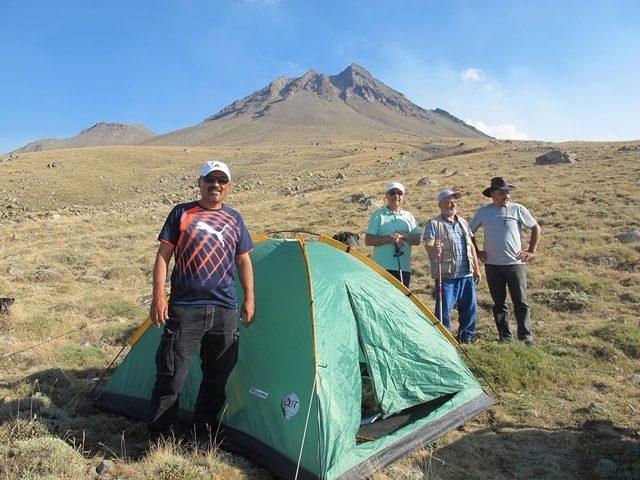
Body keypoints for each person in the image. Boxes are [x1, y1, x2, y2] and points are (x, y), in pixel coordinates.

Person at [148, 160, 255, 436]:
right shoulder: (181, 213)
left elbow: (243, 260)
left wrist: (250, 297)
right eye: (210, 180)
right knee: (172, 376)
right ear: (200, 183)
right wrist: (158, 297)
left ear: (228, 186)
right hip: (185, 309)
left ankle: (202, 433)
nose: (215, 185)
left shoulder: (235, 219)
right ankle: (161, 437)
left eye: (221, 181)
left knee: (217, 379)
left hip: (224, 310)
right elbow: (163, 256)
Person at [470, 177, 541, 346]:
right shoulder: (483, 212)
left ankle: (526, 337)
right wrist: (477, 251)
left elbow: (535, 228)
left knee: (520, 301)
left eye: (507, 192)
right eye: (502, 193)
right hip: (492, 265)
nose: (506, 196)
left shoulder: (518, 209)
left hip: (515, 264)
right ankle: (505, 337)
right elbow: (469, 232)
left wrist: (531, 251)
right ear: (493, 194)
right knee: (499, 303)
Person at [424, 190, 481, 343]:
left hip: (467, 274)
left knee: (470, 309)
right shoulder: (434, 224)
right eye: (448, 201)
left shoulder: (463, 222)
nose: (453, 204)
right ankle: (444, 340)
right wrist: (434, 246)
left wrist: (477, 268)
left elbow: (471, 247)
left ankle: (466, 338)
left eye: (455, 201)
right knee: (444, 311)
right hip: (447, 276)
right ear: (440, 205)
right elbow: (428, 243)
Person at [365, 182, 421, 287]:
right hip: (382, 269)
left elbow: (417, 240)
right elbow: (368, 240)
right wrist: (389, 238)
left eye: (399, 193)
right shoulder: (378, 215)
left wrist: (403, 235)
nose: (396, 196)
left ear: (403, 196)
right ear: (387, 195)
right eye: (392, 193)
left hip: (403, 268)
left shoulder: (409, 216)